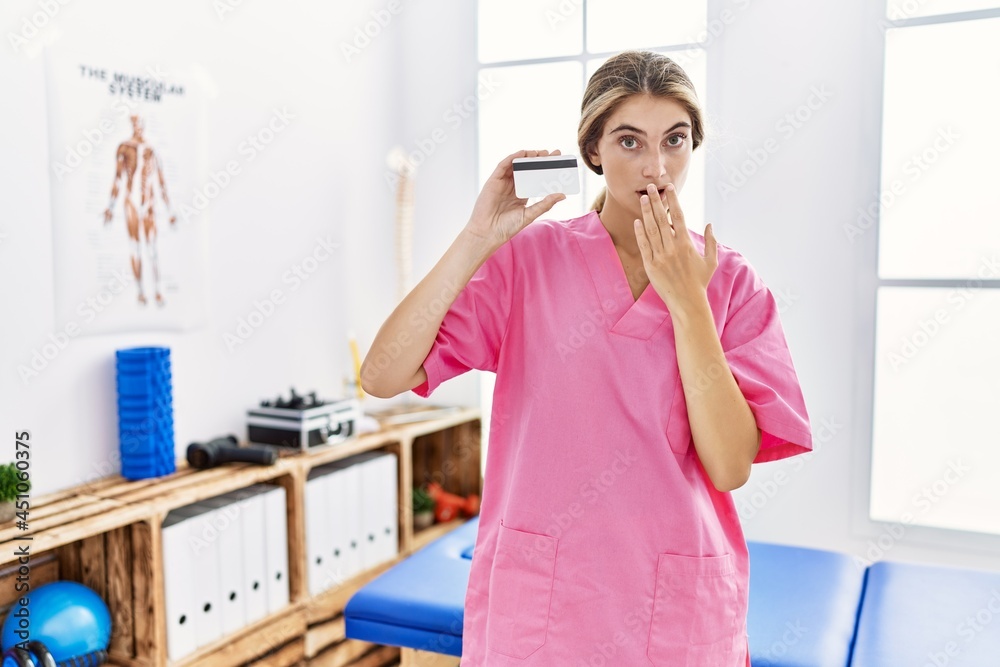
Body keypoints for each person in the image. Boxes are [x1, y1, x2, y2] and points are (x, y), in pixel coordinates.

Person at [361, 50, 812, 666]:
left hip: (674, 614)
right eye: (630, 141)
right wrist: (476, 241)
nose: (656, 167)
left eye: (674, 140)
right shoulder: (529, 261)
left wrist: (688, 305)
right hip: (543, 610)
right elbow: (383, 374)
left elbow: (730, 465)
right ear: (593, 150)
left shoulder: (729, 281)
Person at [103, 114, 176, 306]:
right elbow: (118, 177)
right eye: (136, 124)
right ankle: (140, 291)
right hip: (132, 203)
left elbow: (161, 181)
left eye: (141, 123)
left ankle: (158, 290)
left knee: (152, 248)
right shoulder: (124, 147)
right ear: (132, 125)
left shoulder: (152, 150)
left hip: (149, 204)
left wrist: (169, 211)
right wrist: (110, 206)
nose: (139, 127)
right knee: (135, 247)